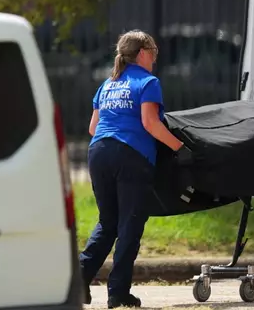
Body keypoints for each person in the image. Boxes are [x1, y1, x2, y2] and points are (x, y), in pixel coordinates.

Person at [79, 30, 193, 308]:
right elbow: (150, 124)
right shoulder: (148, 82)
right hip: (130, 156)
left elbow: (93, 128)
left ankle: (78, 281)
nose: (155, 58)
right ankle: (118, 293)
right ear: (142, 52)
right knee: (129, 225)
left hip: (99, 153)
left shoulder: (108, 84)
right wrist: (180, 148)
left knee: (108, 223)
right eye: (153, 51)